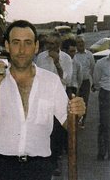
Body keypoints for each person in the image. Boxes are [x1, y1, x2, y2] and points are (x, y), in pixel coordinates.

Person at [0, 20, 85, 180]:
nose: (21, 50)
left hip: (39, 169)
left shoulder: (51, 81)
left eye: (27, 43)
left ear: (36, 47)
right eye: (16, 43)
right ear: (7, 46)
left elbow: (71, 126)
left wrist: (77, 112)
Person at [36, 32, 73, 176]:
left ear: (58, 45)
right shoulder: (41, 57)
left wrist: (57, 64)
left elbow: (67, 80)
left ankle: (54, 163)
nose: (49, 46)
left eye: (52, 44)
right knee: (44, 129)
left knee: (57, 132)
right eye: (47, 43)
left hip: (58, 97)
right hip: (42, 97)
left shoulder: (66, 59)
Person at [74, 35, 95, 127]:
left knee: (84, 102)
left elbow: (93, 68)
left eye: (82, 42)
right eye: (78, 42)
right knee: (74, 102)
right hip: (75, 83)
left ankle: (82, 121)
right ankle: (74, 121)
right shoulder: (72, 54)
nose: (80, 44)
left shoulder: (89, 55)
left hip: (85, 82)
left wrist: (94, 82)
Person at [92, 54, 110, 160]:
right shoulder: (101, 63)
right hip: (105, 94)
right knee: (104, 123)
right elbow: (96, 79)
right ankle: (102, 152)